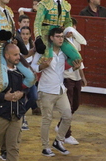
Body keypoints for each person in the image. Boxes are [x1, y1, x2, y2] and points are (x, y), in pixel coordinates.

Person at [31, 27, 82, 157]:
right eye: (58, 36)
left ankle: (58, 141)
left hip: (60, 89)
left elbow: (64, 71)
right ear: (51, 38)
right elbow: (33, 66)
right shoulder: (43, 51)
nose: (61, 39)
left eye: (62, 37)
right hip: (46, 90)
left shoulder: (64, 53)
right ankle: (45, 147)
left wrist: (74, 69)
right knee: (47, 119)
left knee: (67, 115)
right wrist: (43, 66)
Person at [0, 44, 33, 161]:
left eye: (19, 54)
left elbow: (27, 87)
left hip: (16, 114)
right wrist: (3, 97)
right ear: (7, 56)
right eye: (15, 55)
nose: (19, 57)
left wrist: (22, 93)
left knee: (13, 147)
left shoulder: (21, 72)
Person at [33, 0, 81, 66]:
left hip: (59, 35)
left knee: (77, 58)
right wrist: (38, 38)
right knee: (47, 58)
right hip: (46, 34)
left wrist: (68, 30)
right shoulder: (44, 3)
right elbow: (37, 22)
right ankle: (35, 70)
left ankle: (64, 71)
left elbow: (68, 21)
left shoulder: (66, 5)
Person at [56, 18, 87, 145]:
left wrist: (82, 76)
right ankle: (66, 134)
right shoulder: (60, 42)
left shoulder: (75, 41)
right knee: (68, 107)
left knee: (75, 105)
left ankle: (60, 126)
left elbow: (79, 60)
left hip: (76, 76)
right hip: (66, 76)